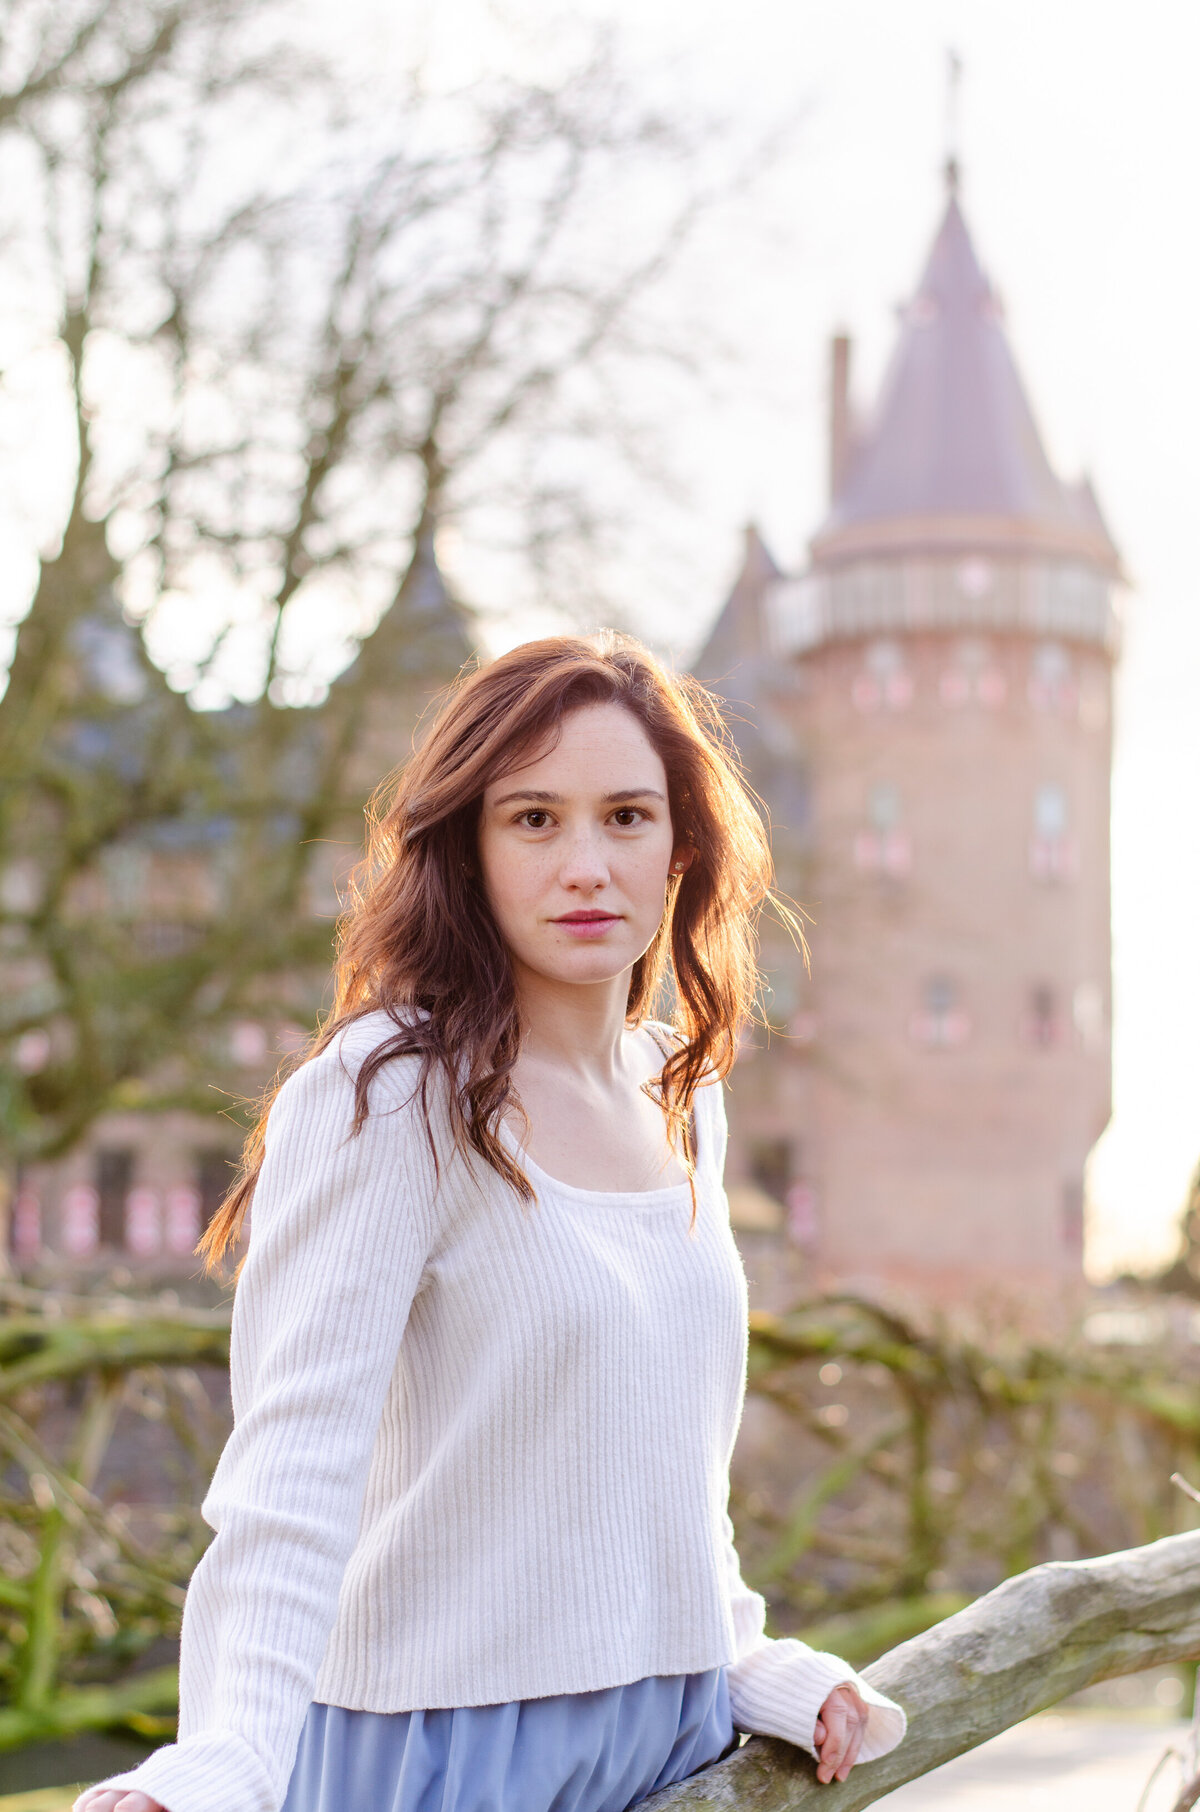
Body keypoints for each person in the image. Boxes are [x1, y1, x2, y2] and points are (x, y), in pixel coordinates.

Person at [76, 633, 906, 1812]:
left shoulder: (682, 1091)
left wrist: (749, 1663)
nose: (586, 865)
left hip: (672, 1743)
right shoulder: (389, 1094)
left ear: (681, 850)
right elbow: (291, 1479)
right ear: (468, 847)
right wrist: (226, 1762)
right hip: (447, 1760)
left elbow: (653, 1462)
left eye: (626, 816)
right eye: (533, 819)